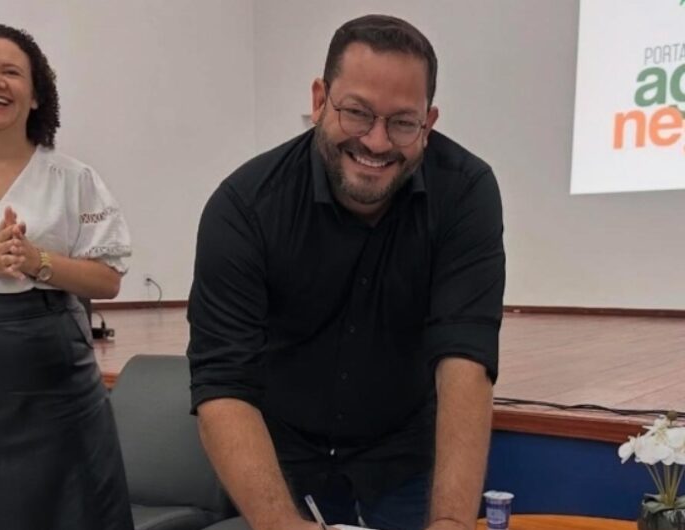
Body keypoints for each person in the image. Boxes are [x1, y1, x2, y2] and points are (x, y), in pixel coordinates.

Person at [188, 14, 504, 530]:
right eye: (357, 113)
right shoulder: (245, 207)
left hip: (405, 456)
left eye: (403, 122)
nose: (377, 142)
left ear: (429, 123)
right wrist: (280, 524)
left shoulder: (465, 193)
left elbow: (466, 358)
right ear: (319, 101)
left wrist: (450, 520)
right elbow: (223, 382)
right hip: (283, 464)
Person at [0, 23, 134, 530]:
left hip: (56, 389)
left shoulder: (73, 178)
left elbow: (108, 280)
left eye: (12, 72)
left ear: (36, 95)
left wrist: (38, 261)